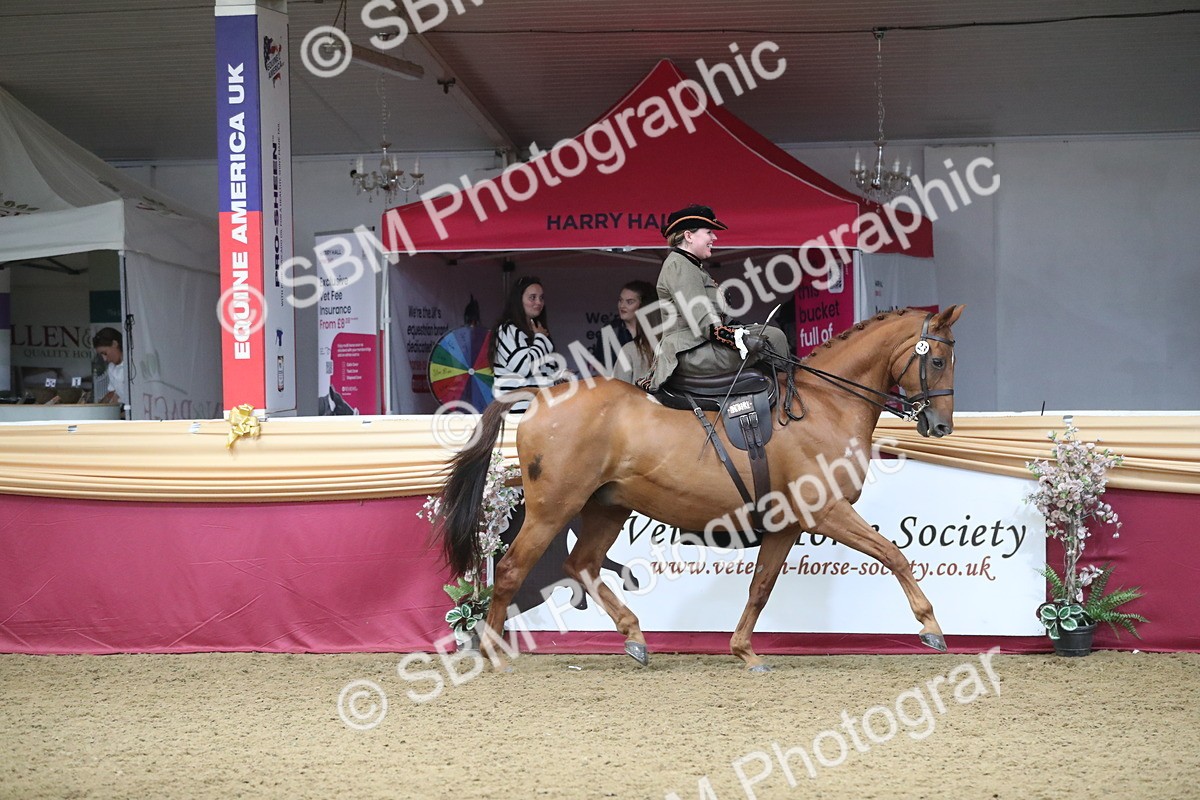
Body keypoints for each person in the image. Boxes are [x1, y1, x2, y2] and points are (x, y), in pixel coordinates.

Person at [644, 204, 789, 392]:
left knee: (767, 334)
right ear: (688, 236)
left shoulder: (690, 265)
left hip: (700, 345)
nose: (714, 237)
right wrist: (738, 338)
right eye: (709, 232)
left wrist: (740, 329)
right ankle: (787, 398)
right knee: (773, 338)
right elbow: (704, 323)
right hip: (689, 353)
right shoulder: (679, 266)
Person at [489, 276, 565, 410]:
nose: (538, 302)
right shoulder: (507, 330)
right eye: (532, 297)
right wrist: (540, 339)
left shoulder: (537, 330)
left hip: (541, 410)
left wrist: (558, 376)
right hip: (518, 411)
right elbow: (524, 368)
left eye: (541, 298)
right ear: (518, 300)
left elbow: (542, 374)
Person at [591, 280, 656, 376]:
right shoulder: (610, 330)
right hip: (617, 384)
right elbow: (600, 365)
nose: (622, 306)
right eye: (620, 300)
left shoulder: (656, 330)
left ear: (643, 305)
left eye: (629, 302)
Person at [93, 327, 128, 409]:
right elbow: (113, 393)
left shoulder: (132, 365)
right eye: (101, 355)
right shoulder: (111, 368)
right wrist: (96, 408)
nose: (104, 359)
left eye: (105, 353)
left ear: (115, 344)